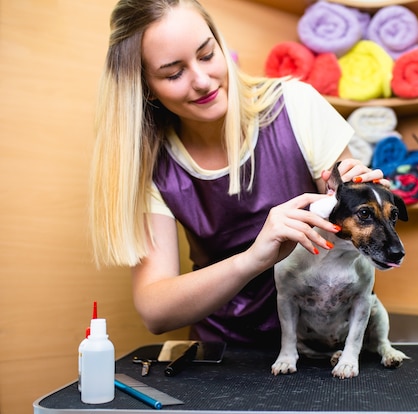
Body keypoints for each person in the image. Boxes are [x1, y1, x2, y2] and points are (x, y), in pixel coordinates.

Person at [89, 0, 384, 348]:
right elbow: (155, 311)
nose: (202, 80)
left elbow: (354, 239)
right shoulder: (155, 164)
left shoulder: (297, 106)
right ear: (145, 87)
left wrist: (369, 209)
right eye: (173, 73)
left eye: (207, 54)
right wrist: (252, 260)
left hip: (320, 350)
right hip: (223, 355)